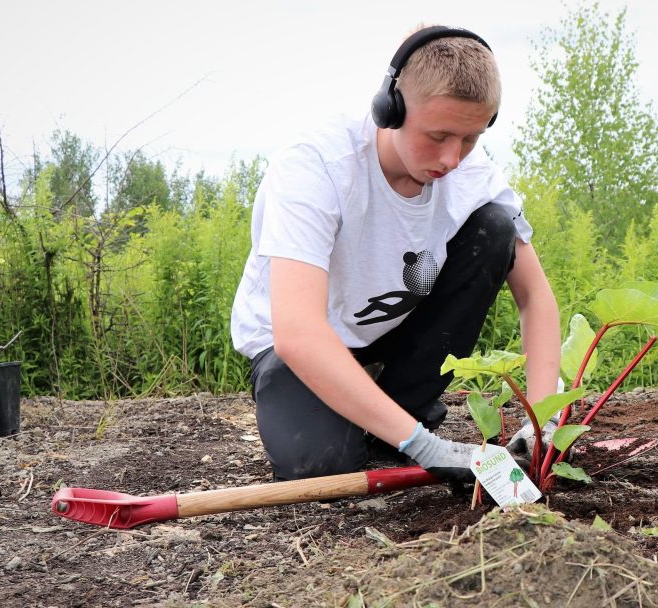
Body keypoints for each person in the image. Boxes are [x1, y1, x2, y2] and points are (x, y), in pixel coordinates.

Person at [230, 25, 561, 484]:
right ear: (391, 108)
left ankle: (396, 414)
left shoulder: (474, 177)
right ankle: (395, 423)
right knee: (322, 467)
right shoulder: (317, 166)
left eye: (469, 139)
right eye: (439, 135)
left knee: (495, 229)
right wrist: (428, 446)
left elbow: (536, 298)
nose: (451, 159)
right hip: (296, 347)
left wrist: (543, 424)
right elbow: (297, 332)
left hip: (388, 335)